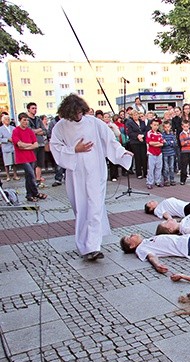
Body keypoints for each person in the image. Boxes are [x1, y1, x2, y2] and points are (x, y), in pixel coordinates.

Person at [50, 94, 133, 261]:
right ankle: (83, 245)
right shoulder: (60, 126)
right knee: (81, 209)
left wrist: (121, 152)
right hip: (76, 173)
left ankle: (93, 247)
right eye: (74, 114)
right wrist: (74, 149)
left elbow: (109, 139)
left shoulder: (94, 122)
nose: (78, 117)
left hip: (95, 171)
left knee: (94, 207)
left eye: (80, 113)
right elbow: (55, 146)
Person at [12, 113, 46, 202]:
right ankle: (35, 192)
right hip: (22, 157)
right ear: (20, 120)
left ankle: (29, 194)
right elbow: (19, 144)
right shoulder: (16, 131)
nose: (26, 122)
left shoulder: (29, 131)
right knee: (31, 174)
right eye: (24, 120)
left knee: (29, 176)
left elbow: (35, 144)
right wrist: (29, 145)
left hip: (31, 156)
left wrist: (27, 146)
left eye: (27, 120)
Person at [145, 118, 164, 189]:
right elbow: (150, 143)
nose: (156, 126)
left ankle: (158, 181)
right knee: (151, 168)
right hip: (151, 153)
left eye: (157, 125)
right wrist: (157, 143)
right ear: (151, 125)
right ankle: (149, 182)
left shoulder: (159, 134)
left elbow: (162, 144)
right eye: (154, 125)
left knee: (159, 168)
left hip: (159, 153)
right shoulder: (149, 133)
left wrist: (156, 144)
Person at [0, 114, 19, 181]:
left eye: (8, 119)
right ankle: (8, 176)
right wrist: (7, 139)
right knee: (7, 163)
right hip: (6, 147)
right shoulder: (1, 129)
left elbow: (17, 135)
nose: (7, 120)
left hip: (13, 147)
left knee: (14, 162)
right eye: (6, 119)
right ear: (3, 121)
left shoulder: (13, 128)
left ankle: (15, 175)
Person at [161, 120, 177, 186]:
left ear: (170, 127)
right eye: (165, 127)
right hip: (165, 153)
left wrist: (168, 143)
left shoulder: (172, 135)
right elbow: (163, 144)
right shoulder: (162, 135)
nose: (167, 128)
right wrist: (170, 142)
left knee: (171, 167)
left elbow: (175, 143)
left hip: (172, 153)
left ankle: (172, 179)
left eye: (168, 127)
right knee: (166, 167)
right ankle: (166, 179)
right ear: (164, 128)